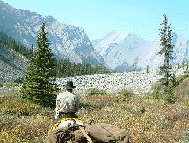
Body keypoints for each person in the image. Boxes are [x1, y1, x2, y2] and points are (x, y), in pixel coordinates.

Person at [46, 81, 133, 143]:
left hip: (61, 116)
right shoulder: (75, 97)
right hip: (73, 115)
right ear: (72, 89)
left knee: (52, 129)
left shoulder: (60, 96)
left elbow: (57, 107)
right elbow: (77, 108)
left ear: (65, 88)